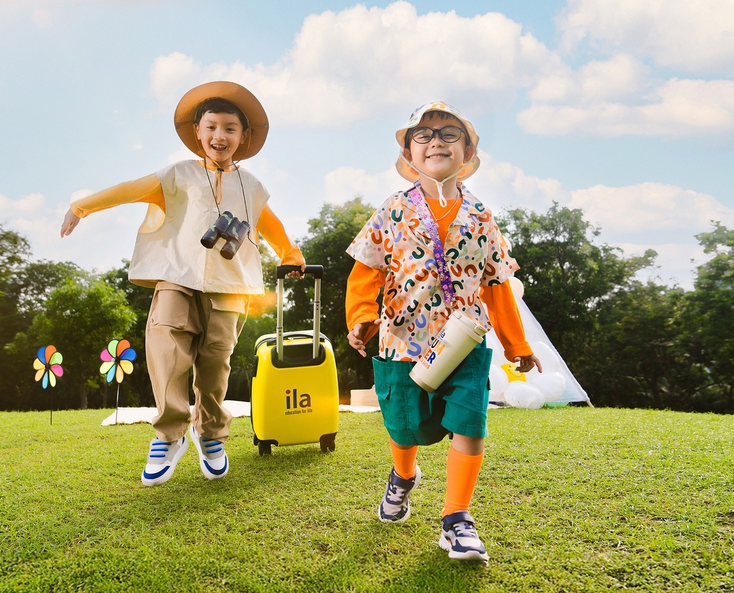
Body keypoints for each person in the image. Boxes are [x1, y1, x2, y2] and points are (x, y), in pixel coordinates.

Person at [60, 81, 305, 487]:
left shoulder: (253, 186)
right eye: (211, 127)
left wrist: (290, 253)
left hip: (230, 286)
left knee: (215, 365)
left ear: (243, 136)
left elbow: (270, 225)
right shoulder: (177, 174)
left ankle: (209, 433)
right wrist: (82, 206)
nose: (219, 136)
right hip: (178, 275)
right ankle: (170, 433)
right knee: (165, 346)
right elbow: (129, 189)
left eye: (229, 128)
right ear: (198, 132)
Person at [345, 101, 540, 562]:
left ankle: (457, 519)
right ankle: (403, 477)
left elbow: (497, 285)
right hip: (400, 339)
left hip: (466, 342)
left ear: (467, 151)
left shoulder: (482, 216)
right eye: (424, 136)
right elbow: (365, 272)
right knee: (404, 429)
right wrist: (360, 317)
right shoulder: (391, 210)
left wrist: (517, 344)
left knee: (469, 425)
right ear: (410, 154)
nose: (436, 142)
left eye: (449, 134)